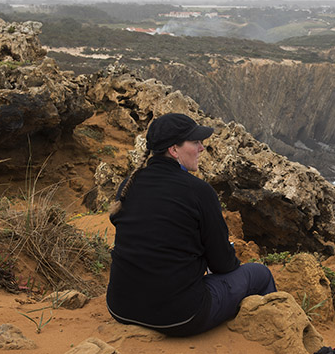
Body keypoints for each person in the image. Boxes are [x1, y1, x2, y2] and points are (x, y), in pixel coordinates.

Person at [106, 112, 277, 336]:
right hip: (180, 316)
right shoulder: (199, 192)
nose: (202, 148)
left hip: (121, 308)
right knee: (260, 274)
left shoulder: (129, 185)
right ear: (173, 149)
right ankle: (272, 339)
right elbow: (223, 265)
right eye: (195, 142)